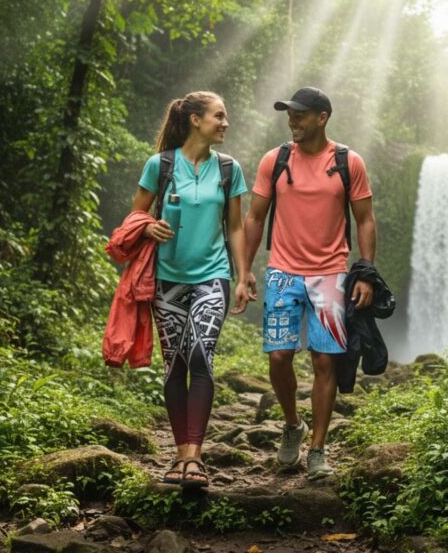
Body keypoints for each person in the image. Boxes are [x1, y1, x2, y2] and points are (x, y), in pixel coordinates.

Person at [243, 86, 377, 480]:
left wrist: (366, 272)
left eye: (300, 114)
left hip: (331, 275)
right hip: (282, 272)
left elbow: (365, 219)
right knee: (278, 356)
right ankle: (292, 424)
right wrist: (245, 269)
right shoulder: (276, 159)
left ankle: (317, 449)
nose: (292, 121)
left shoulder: (348, 162)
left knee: (324, 361)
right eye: (289, 114)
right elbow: (254, 217)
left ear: (322, 117)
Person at [131, 91, 251, 487]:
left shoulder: (229, 169)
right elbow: (136, 216)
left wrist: (242, 275)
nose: (225, 123)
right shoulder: (160, 165)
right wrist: (148, 227)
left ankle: (195, 457)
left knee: (200, 355)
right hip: (167, 278)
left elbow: (235, 227)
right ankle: (180, 453)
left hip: (212, 275)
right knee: (175, 364)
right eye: (219, 116)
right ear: (195, 120)